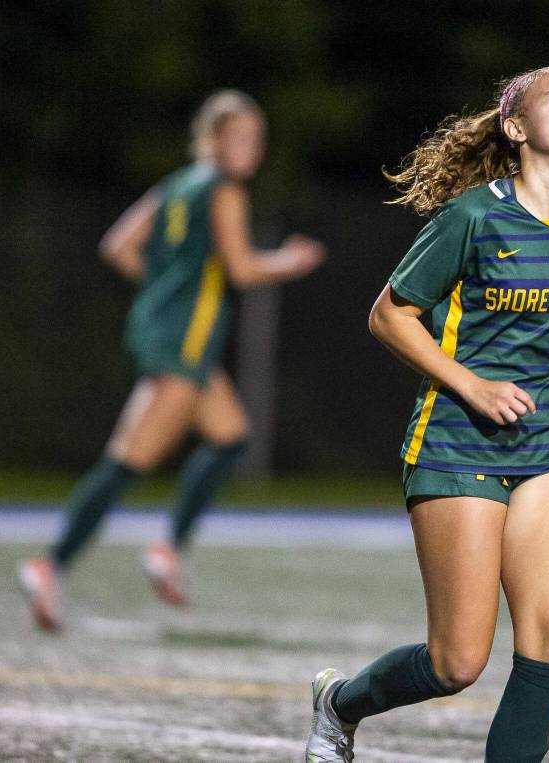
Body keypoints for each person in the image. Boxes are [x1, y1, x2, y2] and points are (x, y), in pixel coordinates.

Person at [305, 66, 549, 763]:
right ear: (516, 128)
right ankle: (340, 704)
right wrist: (474, 387)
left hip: (548, 446)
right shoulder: (473, 217)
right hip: (456, 442)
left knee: (548, 640)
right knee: (458, 661)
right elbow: (389, 317)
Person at [17, 90, 324, 631]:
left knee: (230, 436)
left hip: (165, 331)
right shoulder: (224, 190)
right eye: (239, 137)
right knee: (128, 460)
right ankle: (51, 564)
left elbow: (119, 246)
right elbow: (242, 270)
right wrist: (291, 261)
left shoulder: (176, 185)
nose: (251, 148)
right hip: (186, 340)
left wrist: (163, 289)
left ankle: (168, 550)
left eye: (257, 139)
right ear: (214, 139)